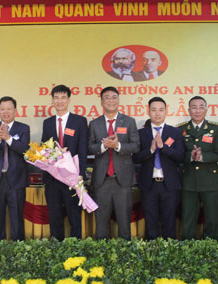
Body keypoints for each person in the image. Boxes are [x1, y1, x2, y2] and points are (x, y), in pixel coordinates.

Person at [88, 86, 140, 240]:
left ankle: (125, 252)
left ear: (118, 100)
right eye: (107, 97)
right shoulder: (94, 123)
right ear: (101, 102)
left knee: (124, 222)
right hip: (101, 180)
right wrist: (104, 146)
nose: (111, 100)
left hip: (122, 180)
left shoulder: (129, 122)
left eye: (114, 97)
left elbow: (136, 146)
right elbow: (89, 147)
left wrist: (117, 145)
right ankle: (102, 253)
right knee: (101, 224)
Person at [133, 97, 184, 240]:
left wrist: (163, 147)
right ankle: (152, 251)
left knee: (169, 223)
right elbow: (135, 158)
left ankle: (170, 250)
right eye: (154, 110)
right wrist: (150, 150)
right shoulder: (141, 133)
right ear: (148, 111)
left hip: (169, 185)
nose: (157, 113)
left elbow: (180, 156)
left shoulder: (175, 132)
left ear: (166, 111)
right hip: (149, 185)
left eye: (161, 110)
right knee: (151, 223)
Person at [41, 84, 88, 240]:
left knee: (74, 216)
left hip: (72, 178)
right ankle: (56, 248)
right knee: (54, 217)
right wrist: (54, 154)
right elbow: (44, 149)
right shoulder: (47, 123)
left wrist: (81, 175)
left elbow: (82, 150)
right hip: (53, 178)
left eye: (63, 97)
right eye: (56, 98)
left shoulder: (79, 121)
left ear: (69, 99)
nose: (60, 101)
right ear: (52, 100)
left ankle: (75, 248)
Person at [0, 96, 30, 240]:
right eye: (2, 109)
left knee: (17, 218)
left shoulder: (23, 128)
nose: (6, 112)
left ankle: (18, 248)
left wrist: (8, 138)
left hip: (16, 179)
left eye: (9, 109)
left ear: (15, 111)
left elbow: (25, 150)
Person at [179, 96, 218, 240]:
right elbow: (178, 154)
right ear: (189, 110)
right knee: (188, 217)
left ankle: (211, 247)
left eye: (201, 107)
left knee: (211, 218)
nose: (197, 111)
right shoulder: (181, 129)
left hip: (210, 180)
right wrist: (191, 156)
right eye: (194, 107)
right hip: (188, 180)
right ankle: (188, 247)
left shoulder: (215, 128)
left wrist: (202, 157)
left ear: (206, 110)